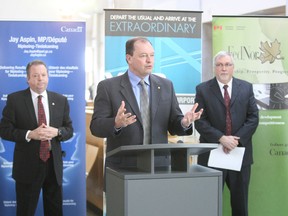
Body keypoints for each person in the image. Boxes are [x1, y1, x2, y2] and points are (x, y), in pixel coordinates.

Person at [90, 37, 203, 171]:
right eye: (143, 56)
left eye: (152, 55)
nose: (149, 60)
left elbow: (174, 124)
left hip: (159, 165)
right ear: (129, 58)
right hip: (123, 166)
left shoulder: (166, 85)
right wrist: (116, 123)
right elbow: (96, 127)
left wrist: (184, 122)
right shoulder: (108, 87)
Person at [0, 60, 73, 216]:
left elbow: (69, 130)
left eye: (43, 75)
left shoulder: (61, 100)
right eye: (35, 75)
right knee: (25, 211)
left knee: (55, 211)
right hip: (27, 166)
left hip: (53, 166)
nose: (40, 79)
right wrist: (29, 134)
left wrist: (57, 132)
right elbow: (4, 130)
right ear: (28, 79)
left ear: (48, 77)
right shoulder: (15, 100)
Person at [194, 51, 259, 216]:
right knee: (208, 203)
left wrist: (235, 140)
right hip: (212, 154)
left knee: (240, 204)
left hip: (239, 153)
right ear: (214, 68)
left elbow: (253, 118)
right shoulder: (203, 89)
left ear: (233, 68)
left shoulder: (246, 87)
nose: (223, 68)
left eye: (227, 65)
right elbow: (200, 121)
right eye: (220, 65)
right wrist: (221, 138)